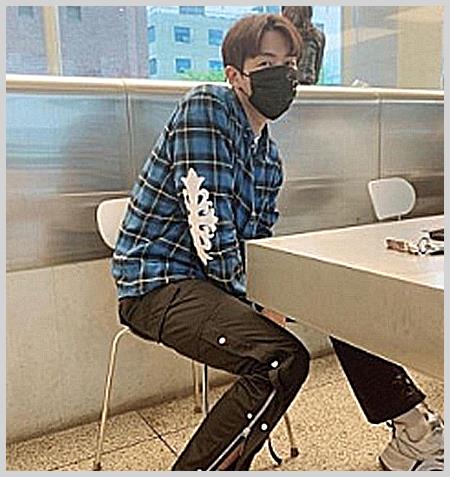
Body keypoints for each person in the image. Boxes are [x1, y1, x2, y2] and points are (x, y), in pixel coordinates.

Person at [111, 13, 444, 472]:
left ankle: (414, 432)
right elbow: (211, 230)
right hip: (159, 284)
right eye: (266, 63)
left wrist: (281, 293)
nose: (283, 75)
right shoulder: (206, 108)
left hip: (214, 284)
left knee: (346, 299)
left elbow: (257, 242)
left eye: (289, 64)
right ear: (235, 76)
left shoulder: (269, 158)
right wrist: (263, 299)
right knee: (280, 360)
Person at [282, 6, 325, 85]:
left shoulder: (282, 35)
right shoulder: (317, 36)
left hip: (288, 83)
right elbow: (317, 68)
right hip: (307, 83)